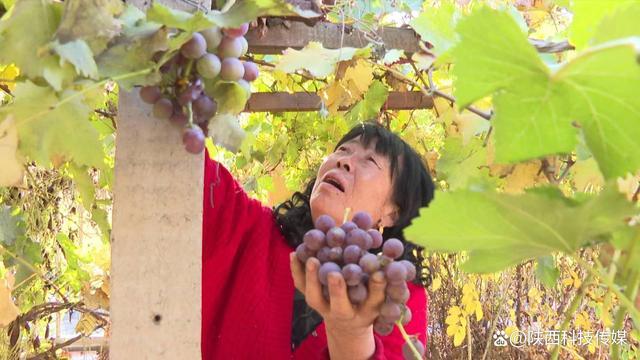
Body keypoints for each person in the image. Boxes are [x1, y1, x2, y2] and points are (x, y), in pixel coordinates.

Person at [202, 122, 435, 359]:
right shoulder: (253, 229)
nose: (343, 161)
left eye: (369, 161)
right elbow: (189, 163)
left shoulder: (396, 295)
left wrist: (351, 336)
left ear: (392, 213)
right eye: (343, 150)